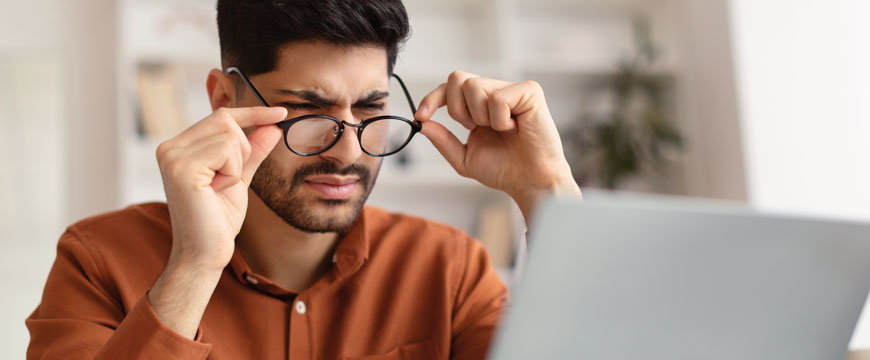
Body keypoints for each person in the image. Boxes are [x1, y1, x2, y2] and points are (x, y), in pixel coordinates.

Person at [25, 0, 581, 359]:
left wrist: (548, 195)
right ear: (224, 99)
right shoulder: (97, 259)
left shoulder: (450, 270)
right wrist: (193, 266)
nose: (346, 149)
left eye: (369, 109)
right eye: (306, 109)